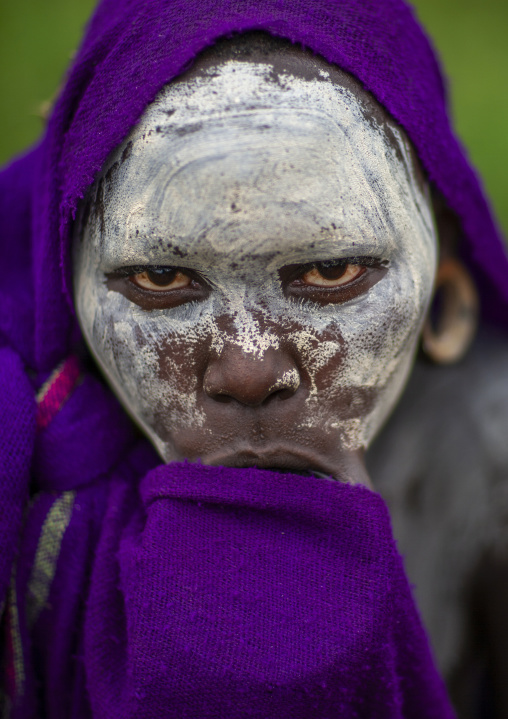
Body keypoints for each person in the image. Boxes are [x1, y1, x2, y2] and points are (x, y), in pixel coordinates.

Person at [1, 0, 507, 716]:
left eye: (331, 273)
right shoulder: (28, 467)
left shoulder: (491, 461)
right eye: (161, 280)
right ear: (73, 296)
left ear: (444, 307)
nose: (247, 369)